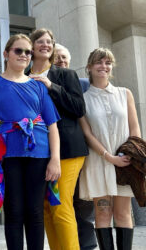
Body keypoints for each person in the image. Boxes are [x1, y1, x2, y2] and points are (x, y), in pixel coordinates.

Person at [0, 34, 61, 249]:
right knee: (14, 210)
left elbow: (52, 126)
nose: (24, 55)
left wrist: (55, 160)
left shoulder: (39, 86)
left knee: (34, 211)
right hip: (6, 155)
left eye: (27, 52)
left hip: (39, 154)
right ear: (6, 54)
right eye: (18, 50)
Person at [28, 28, 88, 250]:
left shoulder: (65, 75)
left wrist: (51, 86)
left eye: (49, 42)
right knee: (45, 206)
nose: (46, 45)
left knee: (60, 205)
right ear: (32, 46)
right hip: (37, 152)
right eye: (41, 41)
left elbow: (78, 108)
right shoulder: (23, 76)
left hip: (68, 150)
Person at [79, 48, 140, 250]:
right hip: (98, 163)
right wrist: (108, 157)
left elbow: (134, 127)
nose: (104, 66)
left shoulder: (125, 94)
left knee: (123, 214)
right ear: (89, 67)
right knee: (103, 213)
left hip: (125, 163)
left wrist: (133, 154)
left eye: (108, 63)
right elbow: (87, 135)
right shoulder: (83, 100)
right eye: (99, 62)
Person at [53, 43, 97, 250]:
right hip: (60, 151)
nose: (61, 61)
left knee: (84, 202)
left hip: (84, 148)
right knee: (63, 202)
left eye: (64, 57)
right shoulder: (49, 82)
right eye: (57, 57)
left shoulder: (84, 84)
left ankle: (87, 245)